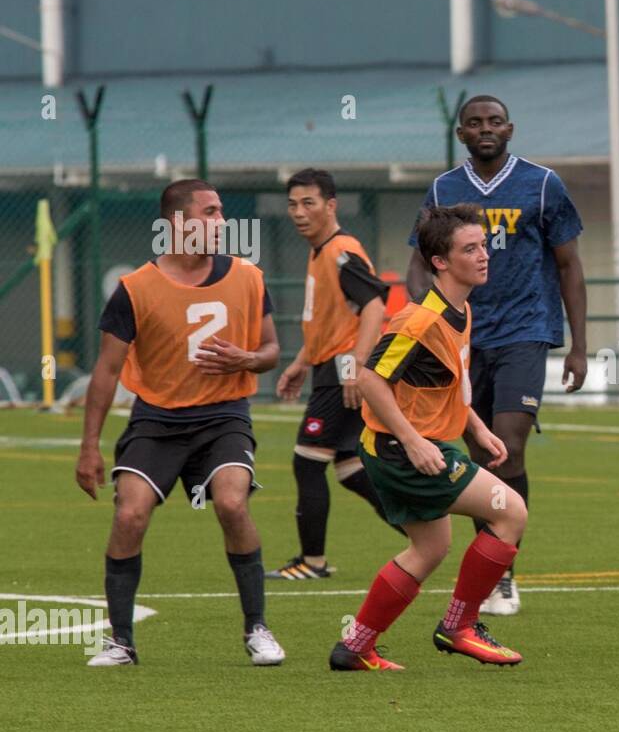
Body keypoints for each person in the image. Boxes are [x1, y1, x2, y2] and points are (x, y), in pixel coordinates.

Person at [76, 179, 285, 667]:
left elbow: (273, 351)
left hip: (224, 416)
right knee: (129, 514)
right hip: (158, 419)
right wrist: (89, 446)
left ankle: (257, 629)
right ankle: (121, 641)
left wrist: (247, 359)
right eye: (209, 213)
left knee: (233, 502)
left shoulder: (249, 277)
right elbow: (106, 372)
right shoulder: (135, 289)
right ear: (178, 223)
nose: (221, 222)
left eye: (220, 212)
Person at [405, 95, 587, 616]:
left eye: (495, 121)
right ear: (460, 133)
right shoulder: (444, 189)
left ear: (510, 128)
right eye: (474, 123)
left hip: (526, 329)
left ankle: (502, 574)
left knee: (508, 443)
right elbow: (419, 261)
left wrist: (579, 345)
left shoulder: (544, 184)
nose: (486, 129)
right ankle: (485, 566)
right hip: (463, 335)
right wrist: (429, 314)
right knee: (475, 451)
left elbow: (570, 265)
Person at [330, 204, 528, 671]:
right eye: (470, 249)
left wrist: (477, 427)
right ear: (440, 261)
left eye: (483, 246)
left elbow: (451, 385)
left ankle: (354, 646)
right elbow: (370, 378)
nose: (483, 256)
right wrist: (414, 442)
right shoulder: (418, 320)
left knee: (430, 548)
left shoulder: (461, 309)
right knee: (510, 512)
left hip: (404, 447)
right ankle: (459, 626)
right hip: (403, 451)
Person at [266, 168, 396, 580]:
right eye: (292, 204)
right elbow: (327, 321)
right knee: (350, 468)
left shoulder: (341, 250)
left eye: (309, 203)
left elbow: (374, 304)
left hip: (344, 369)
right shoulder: (320, 251)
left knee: (307, 463)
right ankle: (425, 527)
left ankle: (312, 562)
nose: (299, 212)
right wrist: (302, 362)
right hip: (330, 367)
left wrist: (356, 367)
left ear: (331, 205)